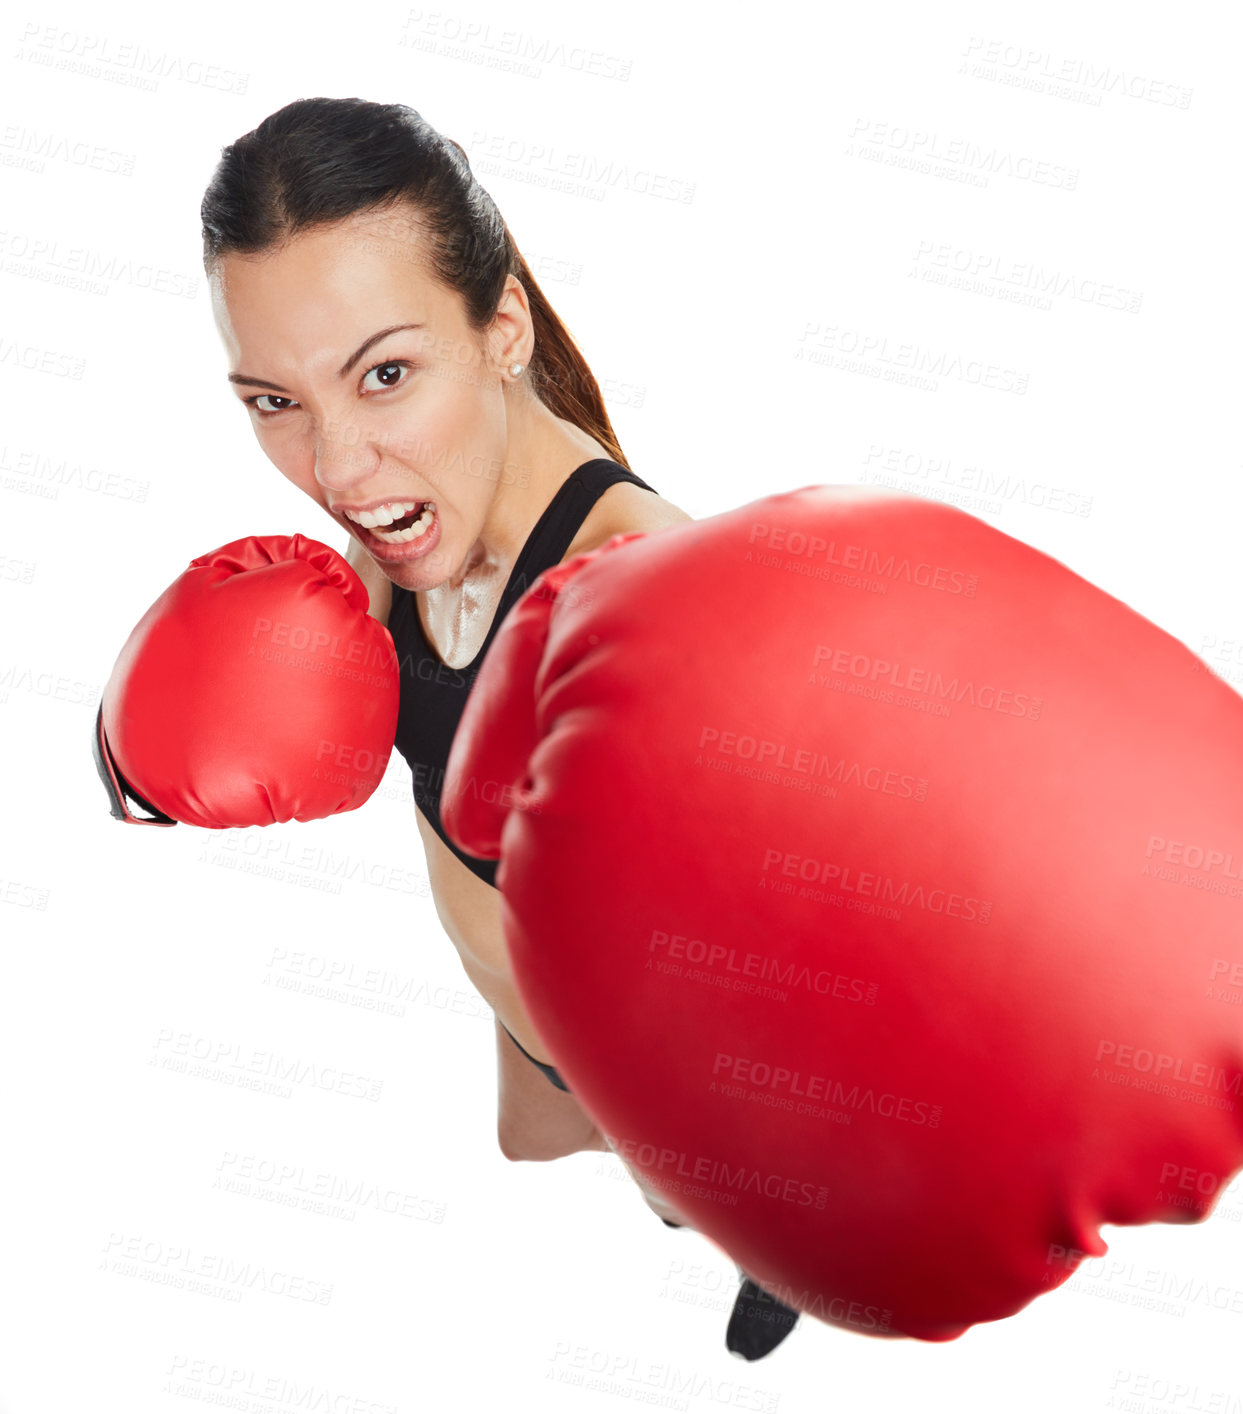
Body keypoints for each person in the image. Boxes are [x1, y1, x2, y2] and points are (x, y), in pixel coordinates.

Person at [198, 97, 798, 1360]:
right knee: (529, 1137)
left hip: (659, 1068)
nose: (341, 468)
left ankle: (765, 1240)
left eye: (385, 375)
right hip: (526, 1028)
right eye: (273, 400)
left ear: (501, 327)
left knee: (682, 1180)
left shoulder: (643, 598)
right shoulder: (399, 526)